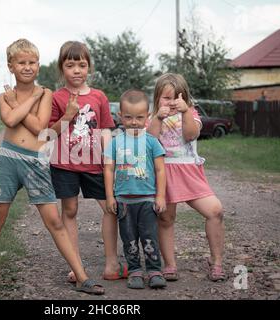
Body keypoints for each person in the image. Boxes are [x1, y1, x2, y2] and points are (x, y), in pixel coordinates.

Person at [0, 39, 104, 295]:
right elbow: (9, 119)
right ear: (11, 66)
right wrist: (24, 102)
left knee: (54, 220)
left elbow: (41, 130)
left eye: (32, 63)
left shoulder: (47, 94)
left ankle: (82, 277)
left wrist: (23, 102)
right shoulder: (3, 97)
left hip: (35, 162)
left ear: (38, 66)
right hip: (8, 159)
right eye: (21, 63)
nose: (27, 67)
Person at [48, 41, 128, 283]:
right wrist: (68, 116)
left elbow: (105, 130)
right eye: (70, 65)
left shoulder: (99, 97)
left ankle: (111, 264)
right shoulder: (56, 98)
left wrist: (108, 159)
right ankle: (76, 266)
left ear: (89, 68)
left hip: (95, 164)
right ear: (61, 68)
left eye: (82, 65)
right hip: (64, 164)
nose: (76, 70)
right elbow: (49, 133)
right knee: (69, 211)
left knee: (109, 208)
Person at [147, 73, 226, 282]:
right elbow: (150, 140)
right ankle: (170, 264)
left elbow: (190, 134)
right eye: (166, 98)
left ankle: (216, 262)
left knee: (215, 211)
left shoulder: (191, 113)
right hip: (164, 173)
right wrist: (158, 117)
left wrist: (185, 112)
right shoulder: (153, 117)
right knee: (165, 218)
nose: (171, 102)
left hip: (189, 172)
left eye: (176, 97)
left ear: (185, 98)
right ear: (157, 99)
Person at [104, 89, 167, 289]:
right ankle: (135, 271)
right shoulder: (115, 142)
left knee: (150, 236)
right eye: (128, 117)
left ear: (147, 117)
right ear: (120, 116)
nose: (134, 122)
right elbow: (108, 169)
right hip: (124, 200)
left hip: (147, 199)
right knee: (129, 238)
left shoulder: (152, 142)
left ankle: (155, 270)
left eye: (139, 117)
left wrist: (161, 196)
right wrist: (110, 197)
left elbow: (160, 170)